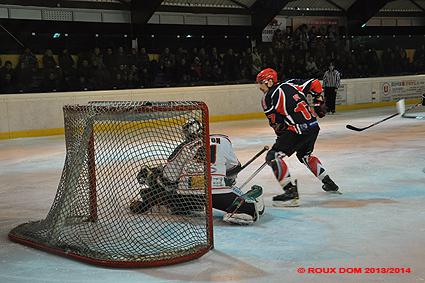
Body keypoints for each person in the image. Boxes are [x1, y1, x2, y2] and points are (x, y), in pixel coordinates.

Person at [131, 119, 264, 225]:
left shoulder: (183, 148)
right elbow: (234, 168)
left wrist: (156, 179)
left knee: (167, 186)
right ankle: (244, 205)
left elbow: (168, 179)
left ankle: (160, 198)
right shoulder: (223, 140)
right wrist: (227, 180)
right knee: (249, 208)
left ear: (186, 134)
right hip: (217, 194)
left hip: (188, 196)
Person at [256, 68, 340, 207]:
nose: (260, 87)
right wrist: (318, 101)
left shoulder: (267, 98)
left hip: (298, 131)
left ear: (270, 82)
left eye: (261, 83)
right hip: (313, 127)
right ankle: (329, 183)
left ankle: (290, 194)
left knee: (273, 157)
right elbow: (315, 83)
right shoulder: (291, 83)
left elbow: (277, 125)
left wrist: (281, 140)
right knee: (304, 156)